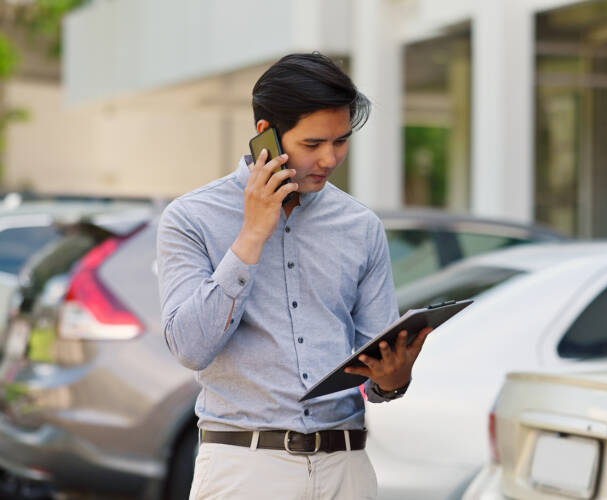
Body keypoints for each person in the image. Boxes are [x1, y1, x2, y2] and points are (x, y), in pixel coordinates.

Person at [156, 52, 432, 500]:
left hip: (347, 467)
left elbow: (376, 364)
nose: (329, 157)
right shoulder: (190, 219)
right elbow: (190, 347)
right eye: (312, 144)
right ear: (264, 133)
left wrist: (392, 380)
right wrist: (251, 235)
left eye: (341, 141)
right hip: (244, 468)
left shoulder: (360, 226)